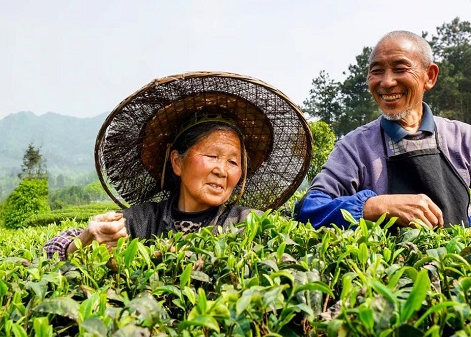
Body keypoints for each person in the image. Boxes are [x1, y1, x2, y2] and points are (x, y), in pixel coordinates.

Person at [45, 71, 312, 260]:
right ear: (177, 162)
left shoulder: (248, 222)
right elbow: (51, 249)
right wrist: (80, 243)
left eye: (234, 161)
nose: (222, 169)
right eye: (212, 156)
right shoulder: (141, 221)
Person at [294, 31, 471, 232]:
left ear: (430, 76)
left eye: (400, 68)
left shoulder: (466, 139)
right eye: (377, 70)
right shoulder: (355, 147)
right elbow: (309, 208)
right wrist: (374, 206)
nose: (387, 82)